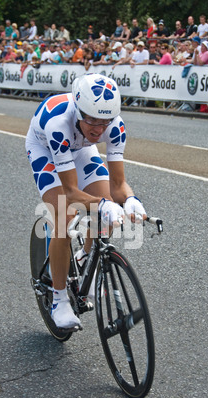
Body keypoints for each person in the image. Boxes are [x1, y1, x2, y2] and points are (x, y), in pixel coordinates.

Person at [25, 73, 146, 329]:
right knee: (64, 217)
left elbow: (117, 185)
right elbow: (70, 192)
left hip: (79, 149)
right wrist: (103, 204)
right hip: (46, 149)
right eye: (91, 119)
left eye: (105, 122)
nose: (98, 129)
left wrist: (131, 199)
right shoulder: (59, 123)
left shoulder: (115, 126)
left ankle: (84, 257)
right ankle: (59, 299)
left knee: (107, 206)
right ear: (79, 110)